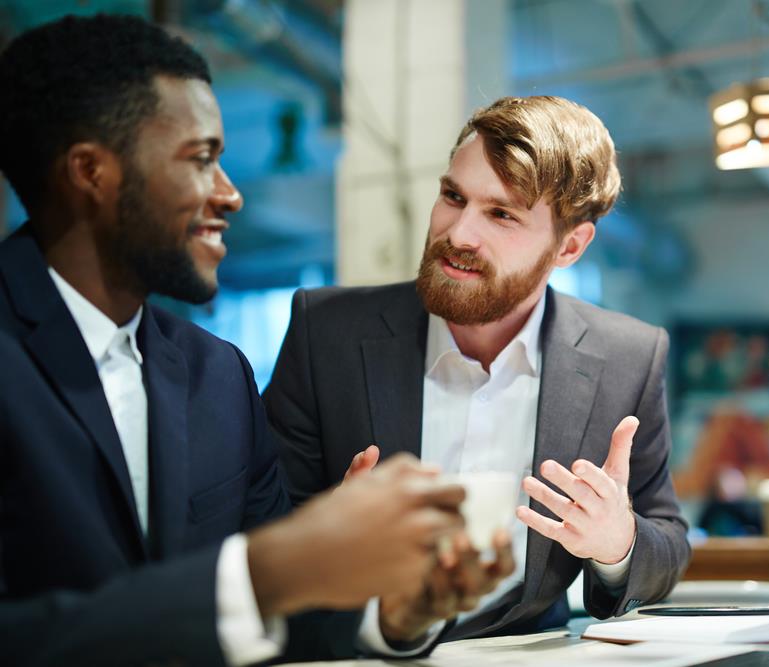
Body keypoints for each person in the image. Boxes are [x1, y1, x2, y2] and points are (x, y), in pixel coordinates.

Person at [0, 14, 466, 666]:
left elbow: (262, 620)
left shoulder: (216, 373)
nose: (232, 194)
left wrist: (391, 606)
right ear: (90, 173)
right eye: (202, 159)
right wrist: (270, 567)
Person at [264, 95, 691, 652]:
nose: (459, 233)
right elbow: (258, 524)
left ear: (570, 245)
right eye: (453, 196)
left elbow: (668, 541)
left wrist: (618, 543)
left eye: (501, 214)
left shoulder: (629, 357)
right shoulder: (326, 332)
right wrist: (325, 534)